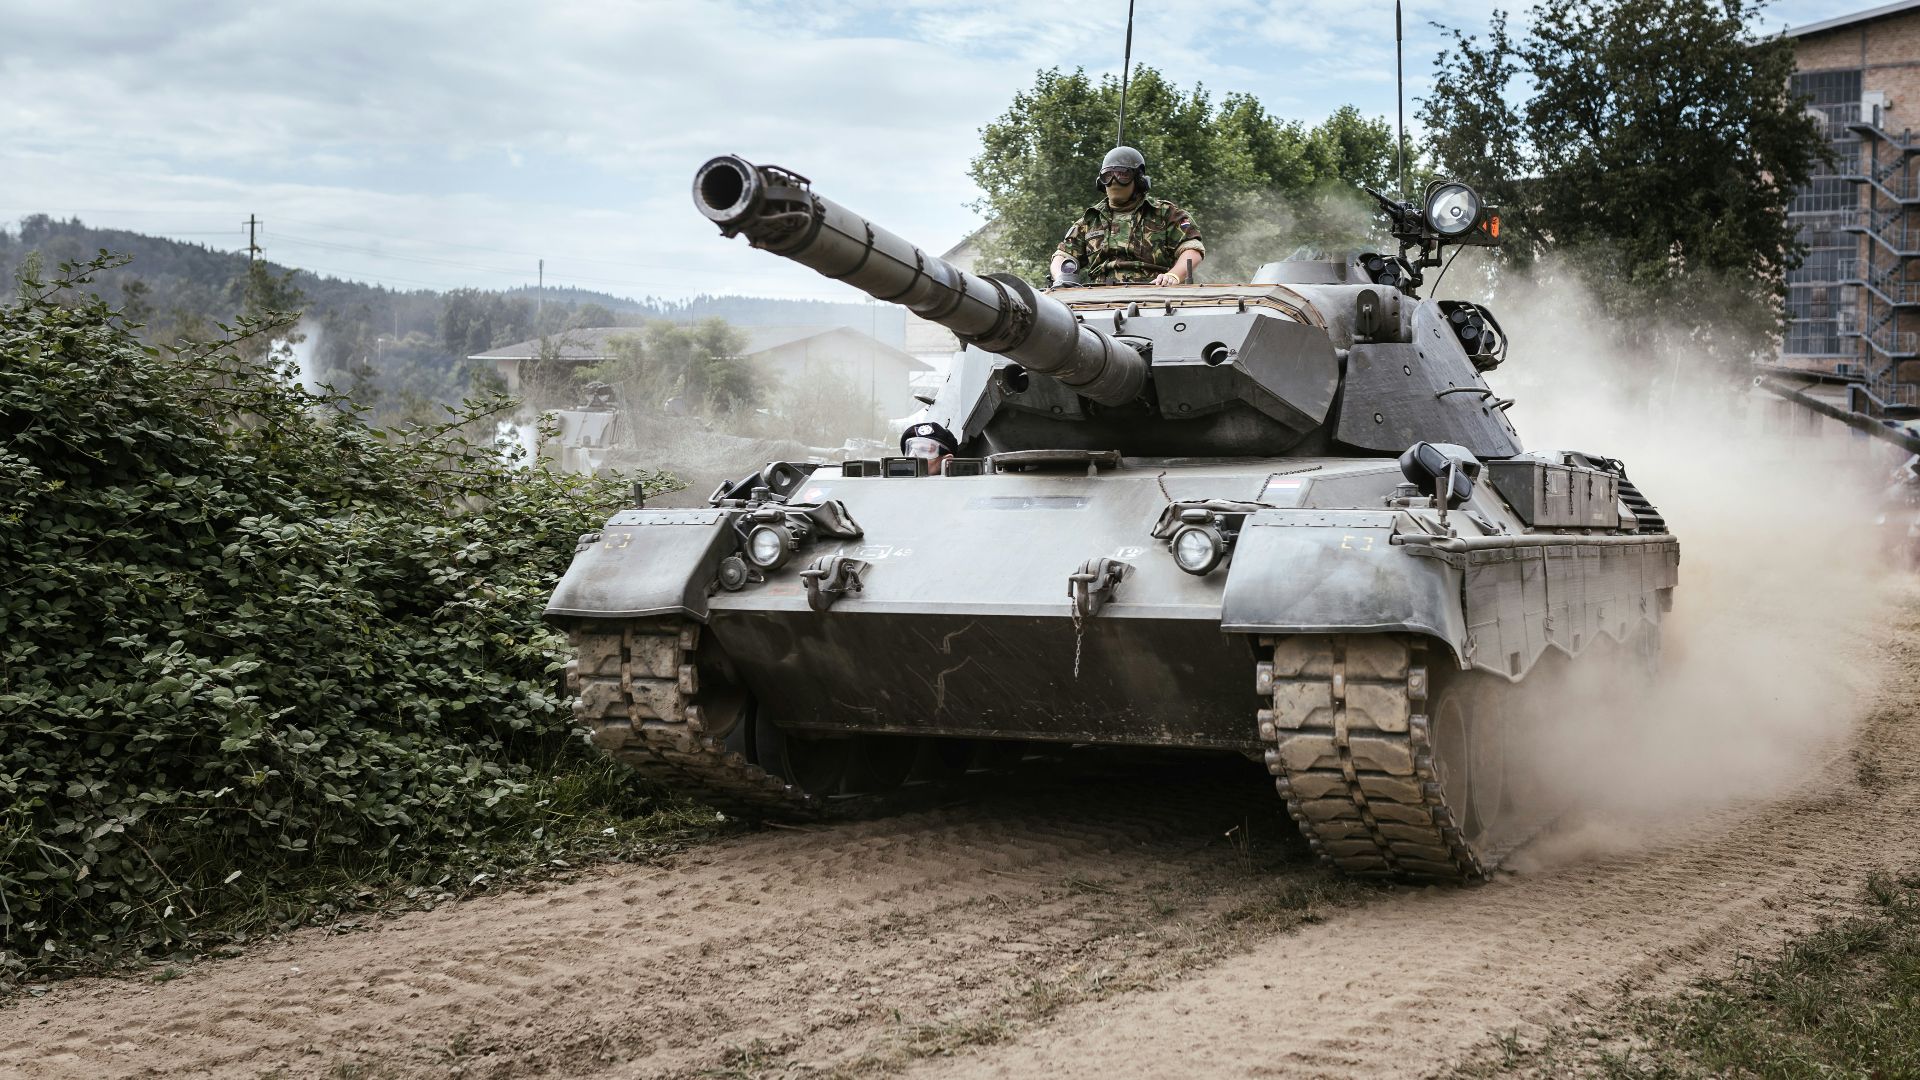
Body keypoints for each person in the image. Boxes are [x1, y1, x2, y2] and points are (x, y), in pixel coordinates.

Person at [1049, 146, 1205, 287]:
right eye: (1107, 176)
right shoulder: (1090, 220)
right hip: (1099, 298)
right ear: (1101, 182)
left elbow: (1192, 250)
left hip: (1154, 293)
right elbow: (1063, 256)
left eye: (1122, 175)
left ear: (1139, 180)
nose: (1114, 181)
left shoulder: (1165, 214)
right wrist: (1061, 278)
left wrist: (1173, 275)